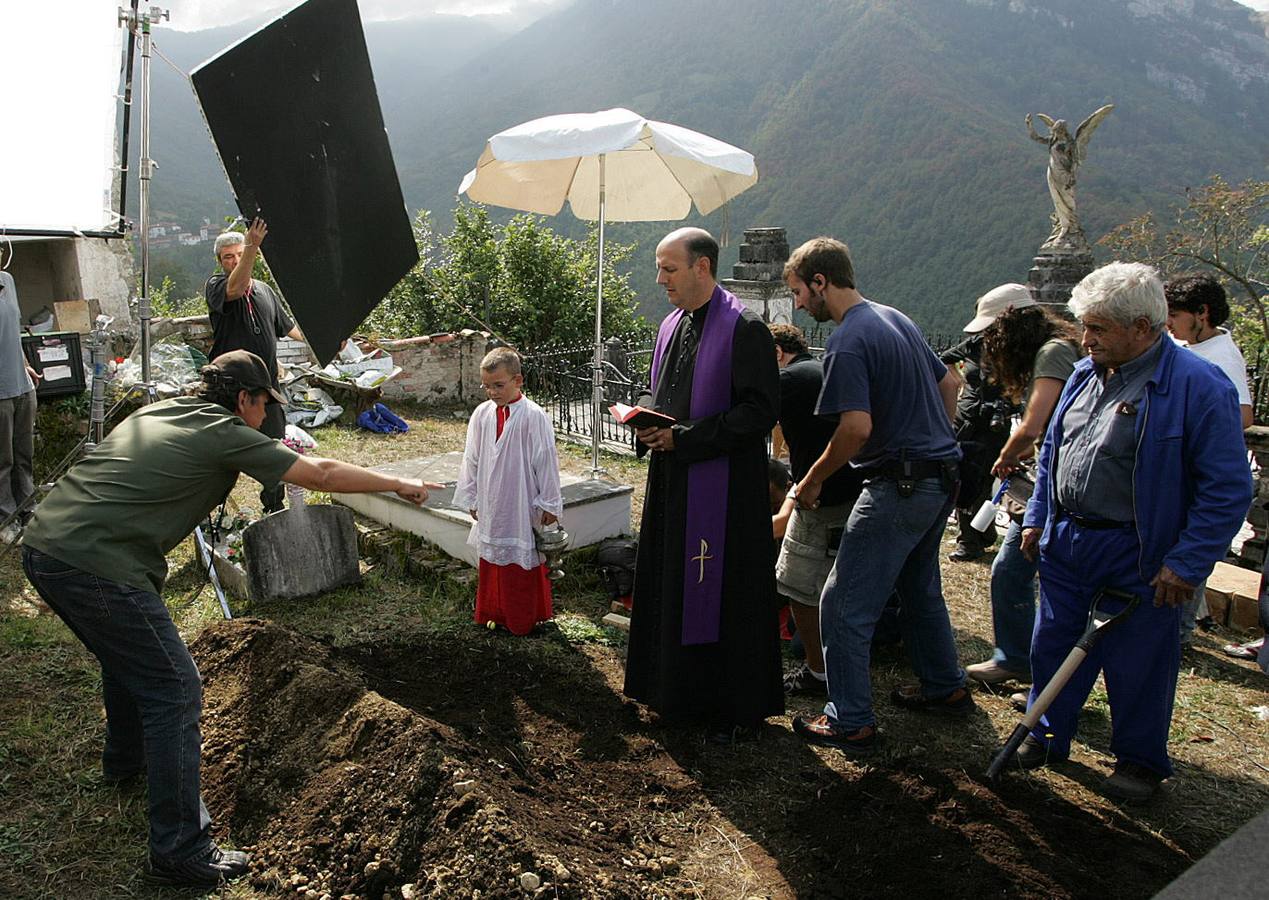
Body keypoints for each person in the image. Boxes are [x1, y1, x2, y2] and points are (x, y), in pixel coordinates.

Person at [20, 350, 439, 887]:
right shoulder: (226, 431)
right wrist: (395, 482)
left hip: (46, 546)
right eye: (265, 405)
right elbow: (323, 472)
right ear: (245, 399)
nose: (266, 417)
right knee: (174, 688)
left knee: (125, 656)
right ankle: (179, 851)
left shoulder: (158, 412)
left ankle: (126, 763)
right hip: (96, 562)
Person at [1014, 262, 1251, 801]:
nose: (1086, 338)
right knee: (1053, 641)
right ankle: (1047, 731)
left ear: (1143, 328)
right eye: (1084, 326)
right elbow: (1054, 450)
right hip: (1069, 540)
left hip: (1141, 550)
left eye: (1098, 328)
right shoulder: (1083, 373)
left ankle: (1140, 762)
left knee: (1139, 657)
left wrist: (1188, 561)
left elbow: (1227, 486)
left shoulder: (1196, 386)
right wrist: (1038, 515)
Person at [784, 237, 969, 756]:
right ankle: (944, 685)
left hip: (899, 484)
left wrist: (815, 478)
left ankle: (850, 719)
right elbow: (949, 383)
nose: (799, 303)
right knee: (918, 587)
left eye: (799, 291)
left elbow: (855, 429)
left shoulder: (848, 339)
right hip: (940, 476)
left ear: (820, 282)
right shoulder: (894, 317)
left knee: (842, 601)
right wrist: (936, 437)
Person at [623, 227, 783, 745]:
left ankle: (727, 703)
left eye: (669, 268)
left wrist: (684, 437)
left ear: (702, 267)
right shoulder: (672, 324)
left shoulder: (746, 329)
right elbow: (665, 391)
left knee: (724, 591)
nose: (660, 278)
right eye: (659, 267)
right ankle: (670, 690)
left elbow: (758, 413)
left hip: (724, 488)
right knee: (671, 579)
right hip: (674, 479)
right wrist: (647, 424)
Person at [963, 304, 1081, 685]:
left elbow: (1034, 424)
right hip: (1052, 477)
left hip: (1059, 486)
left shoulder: (1053, 351)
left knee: (1022, 573)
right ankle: (1024, 662)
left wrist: (1007, 455)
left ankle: (1031, 668)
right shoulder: (1059, 349)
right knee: (1016, 571)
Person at [769, 322, 865, 697]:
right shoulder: (822, 368)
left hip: (824, 498)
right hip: (852, 490)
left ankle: (819, 673)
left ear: (777, 353)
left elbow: (750, 418)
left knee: (798, 583)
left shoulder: (790, 380)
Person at [1165, 274, 1254, 647]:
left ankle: (1179, 636)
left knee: (1189, 552)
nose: (1169, 322)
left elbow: (1243, 415)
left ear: (1202, 313)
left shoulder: (1221, 356)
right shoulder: (1192, 347)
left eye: (1176, 314)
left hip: (1198, 474)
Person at [453, 347, 564, 635]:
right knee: (492, 559)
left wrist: (549, 502)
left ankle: (521, 620)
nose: (491, 392)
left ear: (518, 380)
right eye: (486, 386)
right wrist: (472, 497)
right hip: (491, 499)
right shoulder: (482, 414)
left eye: (498, 385)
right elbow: (472, 458)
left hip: (521, 498)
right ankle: (493, 613)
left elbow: (546, 460)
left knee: (520, 561)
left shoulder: (534, 416)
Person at [205, 218, 304, 512]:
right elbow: (236, 288)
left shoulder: (264, 290)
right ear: (220, 261)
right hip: (229, 387)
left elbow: (288, 328)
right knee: (222, 451)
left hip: (266, 384)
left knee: (274, 447)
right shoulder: (217, 285)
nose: (235, 260)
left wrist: (322, 344)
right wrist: (251, 246)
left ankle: (274, 508)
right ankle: (215, 512)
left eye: (239, 253)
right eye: (228, 257)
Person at [942, 284, 1032, 561]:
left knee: (985, 480)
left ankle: (980, 535)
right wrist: (956, 382)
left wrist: (1012, 399)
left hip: (995, 426)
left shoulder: (1020, 351)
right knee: (967, 480)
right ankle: (970, 540)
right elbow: (945, 359)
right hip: (967, 420)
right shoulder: (976, 343)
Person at [1, 265, 39, 543]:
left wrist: (26, 365)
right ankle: (6, 518)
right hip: (0, 391)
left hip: (22, 387)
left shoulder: (8, 280)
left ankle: (28, 510)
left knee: (24, 455)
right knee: (3, 460)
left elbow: (14, 331)